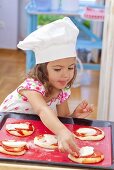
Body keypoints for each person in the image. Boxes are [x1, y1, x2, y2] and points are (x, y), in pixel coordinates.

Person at [0, 17, 94, 155]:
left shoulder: (63, 89)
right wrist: (61, 131)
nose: (65, 75)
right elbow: (42, 110)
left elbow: (63, 118)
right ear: (43, 69)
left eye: (70, 67)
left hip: (29, 127)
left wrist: (75, 116)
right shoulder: (32, 86)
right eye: (57, 69)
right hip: (6, 124)